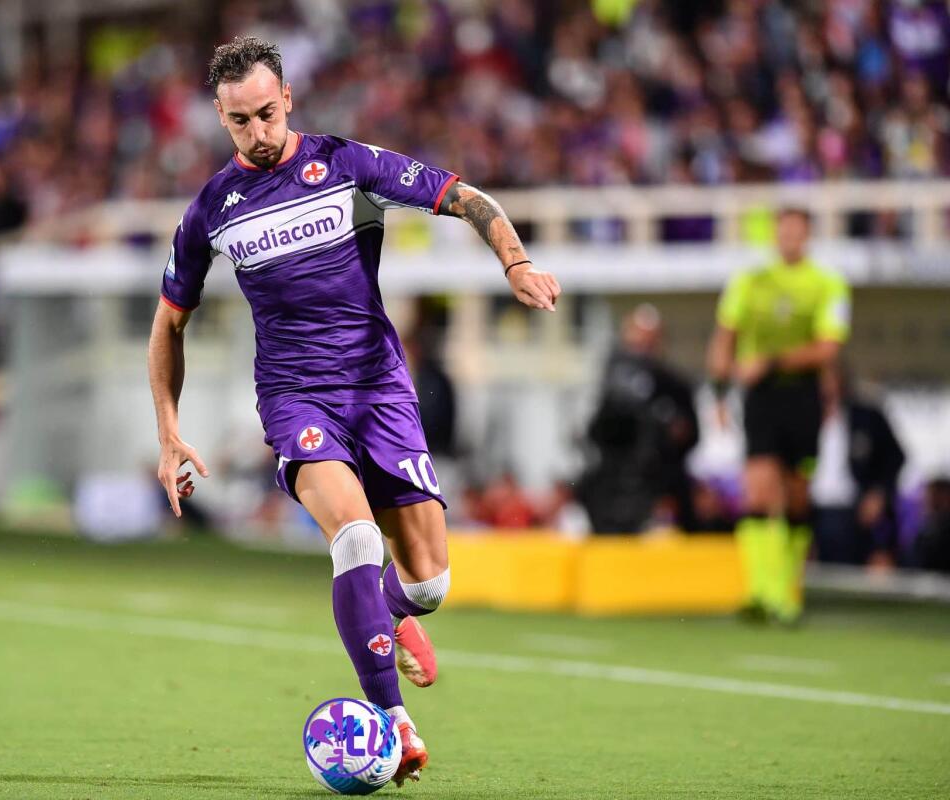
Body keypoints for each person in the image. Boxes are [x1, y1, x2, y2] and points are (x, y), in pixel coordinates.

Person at [147, 37, 561, 785]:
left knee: (430, 583)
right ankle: (393, 722)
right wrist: (169, 431)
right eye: (239, 122)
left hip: (380, 389)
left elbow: (469, 198)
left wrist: (516, 260)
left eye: (267, 114)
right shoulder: (212, 208)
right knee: (357, 536)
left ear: (289, 99)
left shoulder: (348, 164)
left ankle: (392, 614)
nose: (257, 133)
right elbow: (168, 322)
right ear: (219, 116)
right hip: (295, 397)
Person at [707, 208, 850, 624]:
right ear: (775, 235)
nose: (790, 238)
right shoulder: (749, 281)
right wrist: (719, 393)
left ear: (807, 235)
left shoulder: (826, 283)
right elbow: (724, 339)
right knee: (758, 490)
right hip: (761, 399)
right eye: (783, 231)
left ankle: (789, 591)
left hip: (804, 396)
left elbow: (827, 348)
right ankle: (761, 592)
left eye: (797, 231)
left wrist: (770, 362)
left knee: (797, 494)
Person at [579, 304, 698, 533]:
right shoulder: (611, 384)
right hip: (612, 486)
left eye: (649, 342)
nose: (642, 350)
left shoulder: (675, 385)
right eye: (637, 341)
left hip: (658, 485)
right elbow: (599, 433)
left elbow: (690, 436)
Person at [810, 364, 906, 568]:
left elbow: (894, 458)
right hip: (813, 512)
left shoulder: (866, 416)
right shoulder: (802, 418)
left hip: (852, 513)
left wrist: (879, 492)